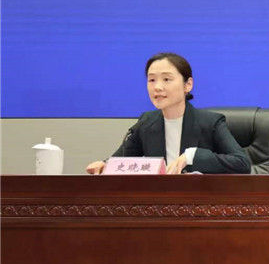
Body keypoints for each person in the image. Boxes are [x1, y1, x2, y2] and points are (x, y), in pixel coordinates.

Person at [85, 53, 251, 175]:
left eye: (166, 79)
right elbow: (121, 160)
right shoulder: (146, 123)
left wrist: (191, 156)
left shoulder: (210, 122)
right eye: (152, 80)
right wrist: (104, 165)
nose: (157, 87)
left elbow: (242, 163)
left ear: (188, 85)